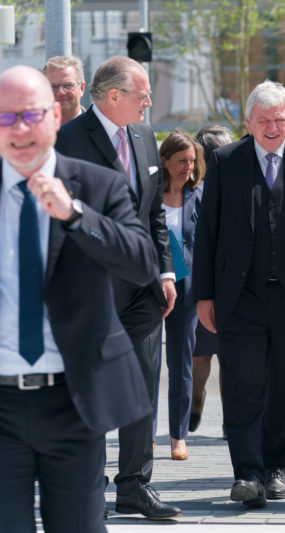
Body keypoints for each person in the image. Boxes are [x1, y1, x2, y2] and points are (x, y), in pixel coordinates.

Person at [0, 65, 156, 532]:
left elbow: (140, 262)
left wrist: (75, 215)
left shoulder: (96, 185)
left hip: (74, 398)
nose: (20, 129)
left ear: (54, 115)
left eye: (31, 115)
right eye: (6, 119)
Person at [193, 80, 285, 508]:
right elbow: (207, 231)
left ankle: (277, 468)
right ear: (248, 122)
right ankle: (246, 473)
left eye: (280, 119)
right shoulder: (225, 160)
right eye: (263, 120)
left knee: (283, 386)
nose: (272, 127)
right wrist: (204, 295)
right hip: (238, 297)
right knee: (242, 385)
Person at [54, 56, 181, 520]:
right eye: (142, 94)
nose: (149, 102)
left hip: (144, 290)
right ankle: (88, 488)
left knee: (139, 389)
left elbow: (155, 214)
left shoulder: (146, 136)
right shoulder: (67, 141)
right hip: (90, 291)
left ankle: (134, 486)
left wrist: (165, 273)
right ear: (113, 97)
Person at [155, 131, 205, 460]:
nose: (188, 167)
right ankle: (144, 434)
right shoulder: (149, 195)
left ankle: (178, 436)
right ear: (164, 161)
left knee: (181, 364)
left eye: (192, 161)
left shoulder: (199, 195)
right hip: (150, 288)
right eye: (181, 161)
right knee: (146, 366)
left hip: (186, 291)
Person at [189, 125, 235, 435]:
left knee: (230, 354)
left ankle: (231, 415)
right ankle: (194, 403)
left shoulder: (242, 187)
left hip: (234, 283)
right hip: (202, 281)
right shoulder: (192, 192)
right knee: (200, 353)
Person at [43, 56, 85, 124]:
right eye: (54, 86)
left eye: (68, 85)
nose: (60, 92)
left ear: (82, 88)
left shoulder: (101, 131)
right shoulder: (32, 131)